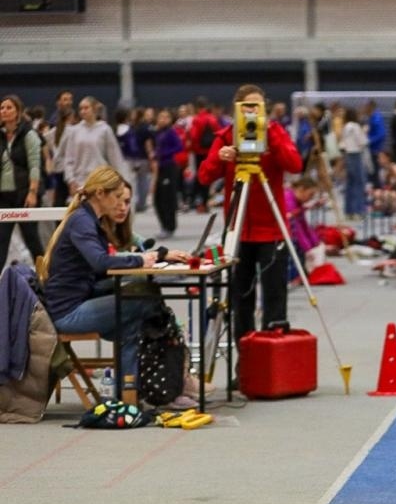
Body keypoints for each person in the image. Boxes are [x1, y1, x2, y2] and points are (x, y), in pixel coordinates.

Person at [35, 166, 172, 391]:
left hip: (74, 302)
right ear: (100, 194)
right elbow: (100, 262)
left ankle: (128, 392)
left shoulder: (87, 220)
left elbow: (97, 271)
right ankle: (165, 377)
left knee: (133, 319)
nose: (120, 203)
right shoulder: (82, 222)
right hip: (67, 313)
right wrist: (139, 261)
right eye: (117, 197)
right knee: (145, 299)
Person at [197, 83, 304, 339]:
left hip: (272, 231)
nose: (253, 113)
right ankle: (244, 364)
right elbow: (203, 177)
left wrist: (271, 136)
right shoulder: (225, 136)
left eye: (258, 107)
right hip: (238, 230)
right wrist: (219, 157)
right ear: (237, 109)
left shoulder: (276, 132)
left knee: (275, 297)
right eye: (247, 108)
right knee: (240, 299)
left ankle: (272, 356)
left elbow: (295, 164)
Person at [0, 94, 46, 265]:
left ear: (18, 112)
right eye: (2, 108)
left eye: (9, 107)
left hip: (25, 194)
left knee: (32, 239)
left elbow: (35, 165)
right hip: (4, 196)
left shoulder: (29, 134)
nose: (4, 111)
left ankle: (46, 279)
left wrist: (32, 192)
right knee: (1, 240)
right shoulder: (1, 136)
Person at [58, 96, 129, 197]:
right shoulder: (74, 131)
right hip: (79, 182)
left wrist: (120, 181)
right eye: (81, 109)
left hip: (101, 182)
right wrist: (70, 180)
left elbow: (115, 157)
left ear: (95, 109)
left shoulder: (105, 130)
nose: (83, 111)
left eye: (86, 108)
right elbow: (69, 159)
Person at [149, 108, 186, 238]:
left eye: (166, 117)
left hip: (169, 167)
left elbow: (179, 146)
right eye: (161, 117)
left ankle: (169, 226)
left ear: (170, 120)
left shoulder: (171, 132)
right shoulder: (158, 133)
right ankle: (163, 225)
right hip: (160, 168)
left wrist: (163, 154)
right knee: (157, 198)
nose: (163, 119)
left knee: (167, 198)